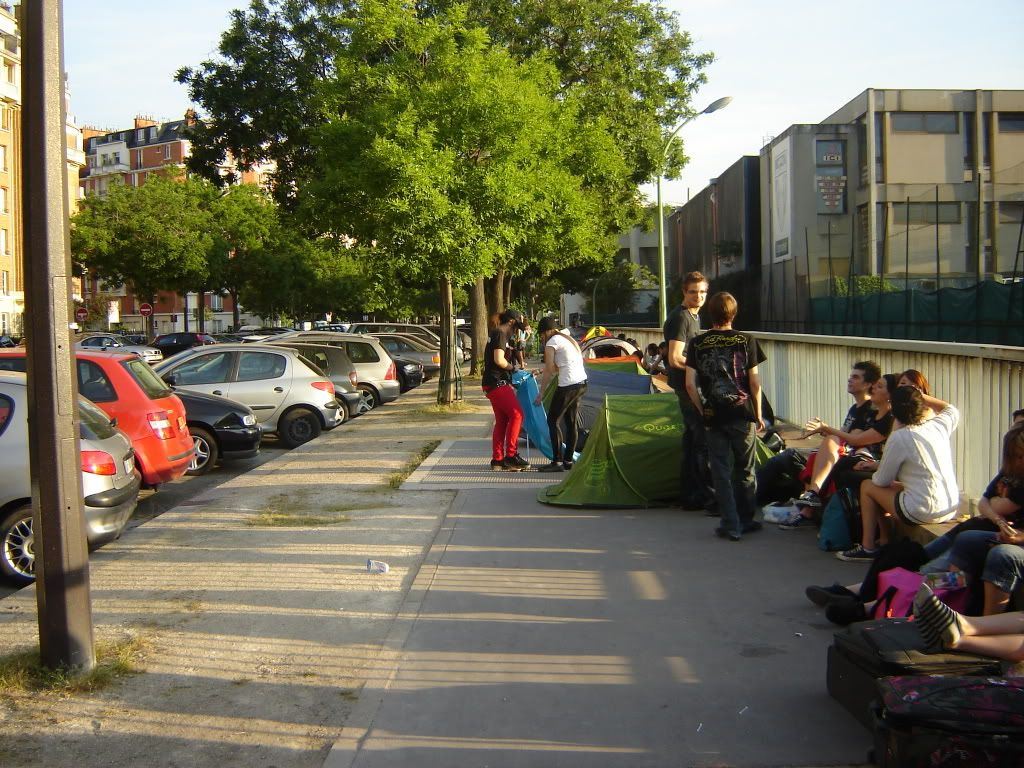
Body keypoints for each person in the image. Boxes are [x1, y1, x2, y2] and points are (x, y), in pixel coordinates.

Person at [837, 387, 960, 561]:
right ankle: (884, 540)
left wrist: (877, 468)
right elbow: (951, 409)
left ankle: (868, 547)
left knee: (867, 486)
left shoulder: (899, 436)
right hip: (949, 508)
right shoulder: (938, 425)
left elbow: (881, 481)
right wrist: (919, 395)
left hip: (921, 510)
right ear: (921, 405)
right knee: (891, 487)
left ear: (893, 410)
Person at [685, 291, 766, 541]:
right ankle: (746, 519)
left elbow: (690, 384)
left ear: (711, 313)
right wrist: (759, 413)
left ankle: (730, 524)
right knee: (745, 469)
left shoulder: (697, 343)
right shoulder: (746, 340)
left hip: (714, 414)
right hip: (742, 413)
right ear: (734, 313)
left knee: (719, 470)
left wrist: (703, 410)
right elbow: (754, 383)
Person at [925, 420, 1024, 614]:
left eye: (1021, 455)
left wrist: (1017, 536)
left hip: (1007, 540)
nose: (1018, 461)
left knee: (1001, 554)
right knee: (965, 540)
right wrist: (999, 520)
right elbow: (984, 501)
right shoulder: (1012, 471)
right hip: (983, 529)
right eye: (1014, 456)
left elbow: (1002, 505)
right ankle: (949, 602)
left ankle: (983, 625)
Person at [664, 271, 713, 511]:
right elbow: (674, 358)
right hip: (686, 385)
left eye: (703, 292)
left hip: (688, 383)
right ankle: (702, 494)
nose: (699, 296)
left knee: (692, 441)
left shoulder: (694, 316)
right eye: (693, 292)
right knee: (700, 440)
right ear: (684, 292)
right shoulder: (682, 318)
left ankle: (690, 494)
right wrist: (702, 369)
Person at [534, 317, 588, 472]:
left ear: (546, 332)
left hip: (568, 385)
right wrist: (539, 370)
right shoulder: (567, 339)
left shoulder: (552, 342)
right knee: (571, 423)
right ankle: (568, 461)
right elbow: (560, 365)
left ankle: (557, 461)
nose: (542, 338)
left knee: (552, 420)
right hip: (581, 383)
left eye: (542, 334)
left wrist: (541, 393)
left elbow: (550, 370)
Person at [482, 309, 531, 472]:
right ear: (511, 322)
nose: (517, 330)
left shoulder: (497, 333)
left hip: (491, 383)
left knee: (502, 421)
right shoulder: (501, 335)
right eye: (517, 326)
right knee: (517, 414)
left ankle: (497, 460)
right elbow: (499, 360)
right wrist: (513, 368)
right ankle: (511, 456)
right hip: (497, 382)